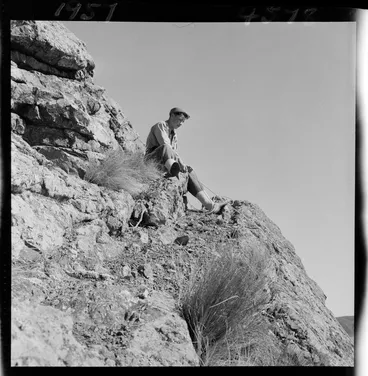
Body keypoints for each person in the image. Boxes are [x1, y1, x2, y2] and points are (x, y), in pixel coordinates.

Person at [145, 107, 230, 214]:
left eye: (183, 122)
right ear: (171, 115)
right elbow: (165, 146)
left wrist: (183, 166)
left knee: (190, 171)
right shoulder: (161, 125)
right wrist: (180, 162)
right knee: (165, 148)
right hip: (152, 159)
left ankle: (210, 205)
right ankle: (172, 169)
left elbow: (173, 152)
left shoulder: (174, 135)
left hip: (166, 161)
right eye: (179, 120)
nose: (181, 124)